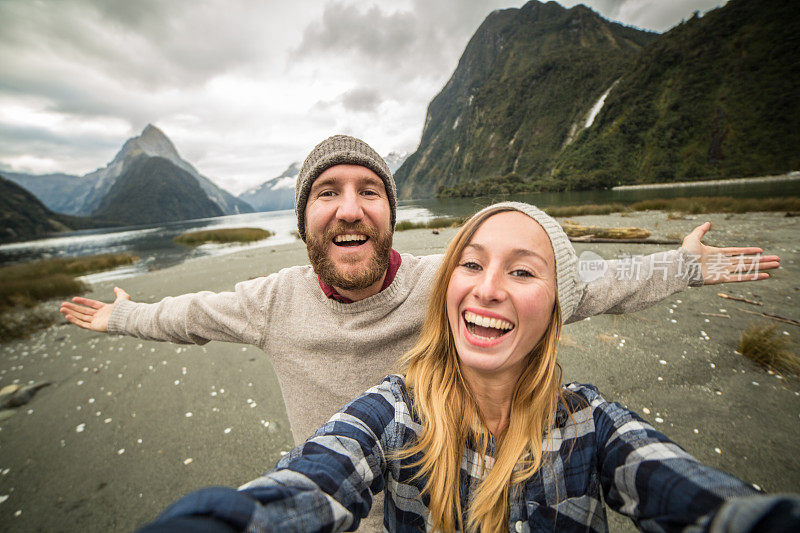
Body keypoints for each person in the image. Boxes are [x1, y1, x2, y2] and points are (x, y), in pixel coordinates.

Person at [59, 135, 779, 446]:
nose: (349, 206)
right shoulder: (271, 299)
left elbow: (580, 284)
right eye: (327, 192)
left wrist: (683, 265)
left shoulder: (449, 283)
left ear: (390, 215)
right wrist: (127, 315)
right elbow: (187, 314)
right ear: (305, 218)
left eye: (369, 190)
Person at [141, 203, 799, 532]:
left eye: (522, 270)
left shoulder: (591, 425)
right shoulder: (394, 413)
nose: (487, 288)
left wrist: (681, 264)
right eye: (472, 263)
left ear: (557, 307)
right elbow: (311, 481)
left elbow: (705, 500)